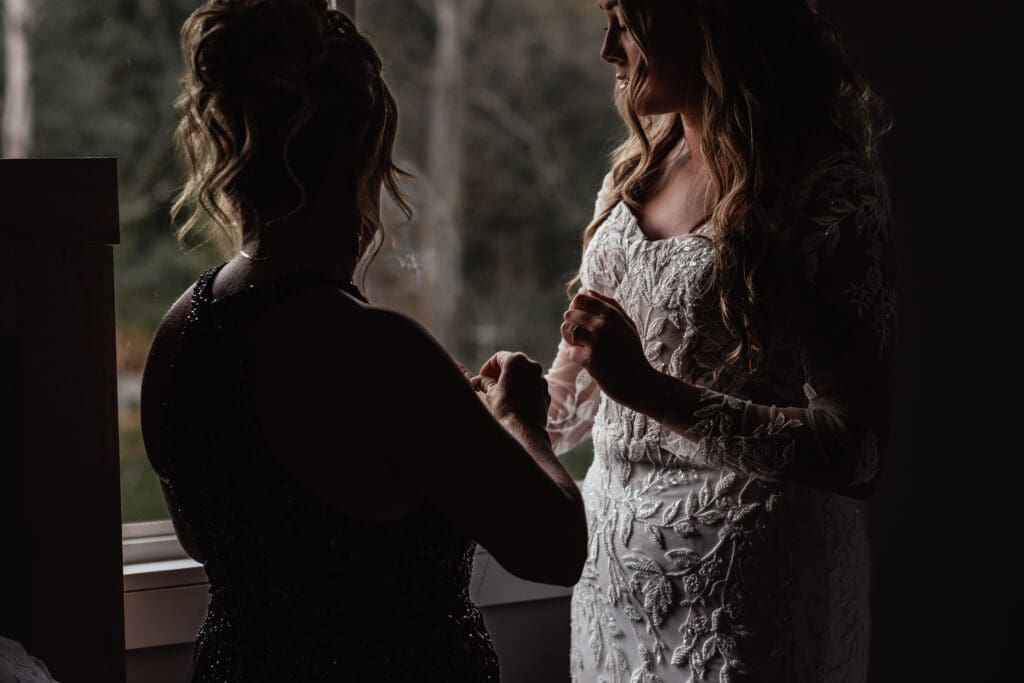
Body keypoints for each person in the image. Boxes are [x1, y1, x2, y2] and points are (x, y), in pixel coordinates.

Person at [139, 2, 585, 681]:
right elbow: (556, 547)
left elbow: (202, 538)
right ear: (358, 152)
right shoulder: (378, 352)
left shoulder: (179, 337)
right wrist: (519, 420)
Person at [476, 0, 896, 680]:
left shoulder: (825, 188)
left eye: (624, 18)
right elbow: (576, 403)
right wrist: (514, 407)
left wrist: (648, 388)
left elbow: (857, 449)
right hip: (612, 590)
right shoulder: (631, 178)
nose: (608, 48)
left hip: (748, 602)